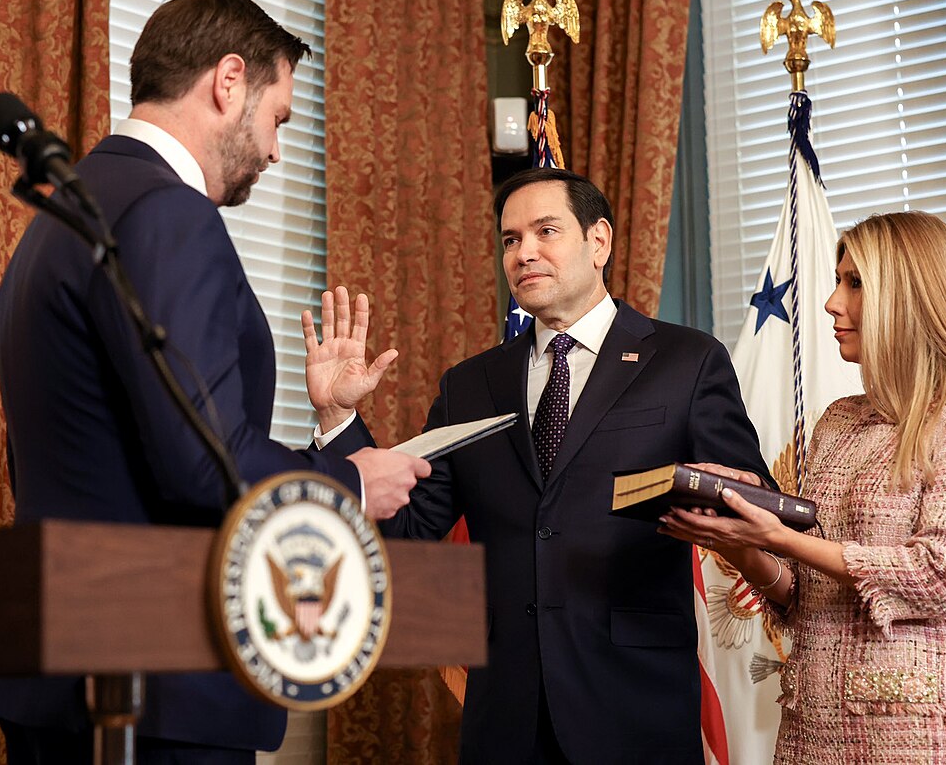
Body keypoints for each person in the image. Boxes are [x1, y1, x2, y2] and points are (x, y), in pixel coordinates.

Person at [0, 0, 430, 764]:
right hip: (156, 690)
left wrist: (323, 421)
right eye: (278, 118)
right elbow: (199, 460)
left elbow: (107, 449)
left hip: (61, 668)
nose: (277, 151)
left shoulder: (60, 221)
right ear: (228, 81)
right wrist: (347, 481)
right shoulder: (168, 213)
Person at [303, 166, 772, 764]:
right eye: (510, 240)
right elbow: (406, 528)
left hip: (635, 708)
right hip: (506, 714)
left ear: (597, 241)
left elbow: (754, 501)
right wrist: (338, 420)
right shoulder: (471, 384)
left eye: (546, 232)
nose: (524, 253)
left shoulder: (686, 361)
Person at [660, 211, 946, 764]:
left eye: (855, 282)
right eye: (838, 280)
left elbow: (938, 577)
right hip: (811, 731)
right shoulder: (837, 420)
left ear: (911, 294)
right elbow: (803, 595)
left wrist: (782, 538)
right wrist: (740, 543)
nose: (832, 302)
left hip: (922, 733)